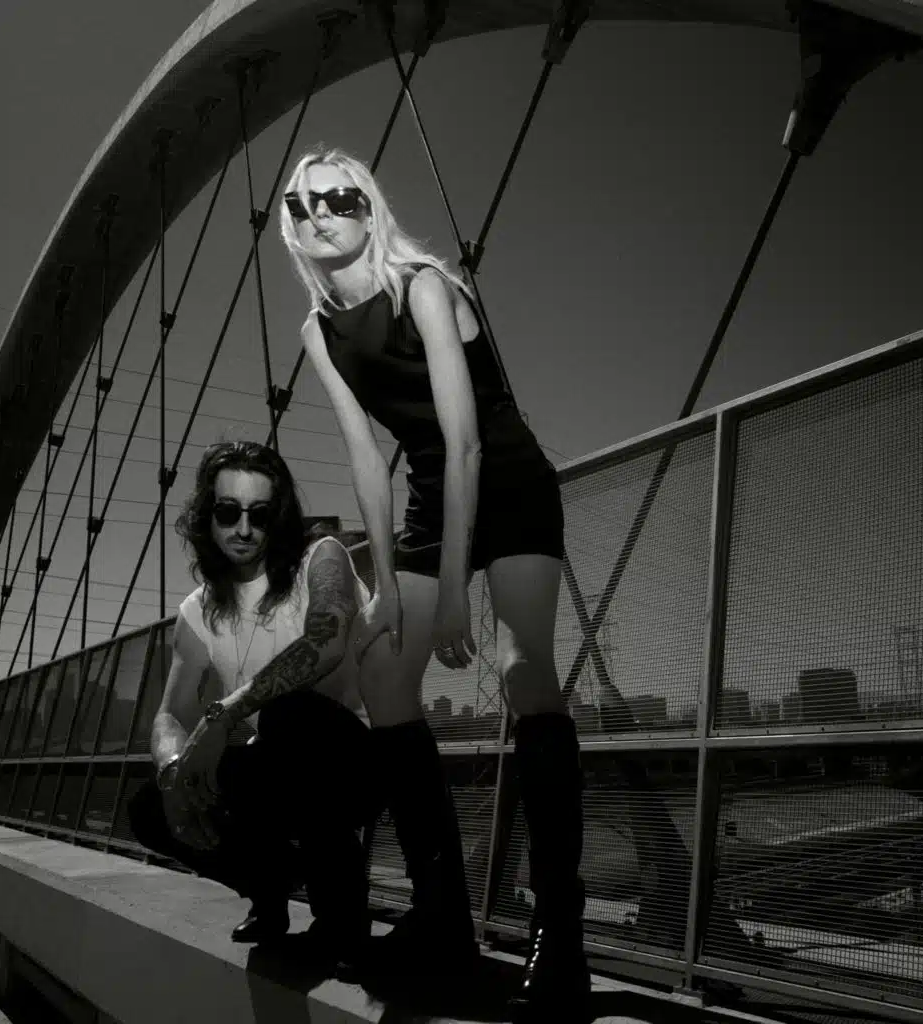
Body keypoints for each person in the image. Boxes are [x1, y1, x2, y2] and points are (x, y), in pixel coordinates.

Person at [279, 148, 589, 1021]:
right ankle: (443, 913)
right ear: (291, 230)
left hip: (507, 481)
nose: (320, 215)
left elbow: (468, 444)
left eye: (338, 198)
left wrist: (454, 592)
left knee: (523, 670)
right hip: (426, 496)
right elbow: (364, 460)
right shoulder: (317, 331)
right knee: (383, 676)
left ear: (369, 206)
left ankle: (561, 936)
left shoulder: (422, 287)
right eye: (301, 207)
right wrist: (384, 586)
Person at [127, 441, 374, 965]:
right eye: (228, 512)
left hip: (354, 761)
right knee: (150, 806)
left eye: (259, 515)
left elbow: (326, 641)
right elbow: (171, 714)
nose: (243, 529)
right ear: (207, 516)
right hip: (275, 768)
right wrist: (173, 770)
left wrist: (226, 713)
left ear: (277, 517)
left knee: (289, 715)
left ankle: (343, 918)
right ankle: (270, 887)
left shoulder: (321, 557)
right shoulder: (197, 611)